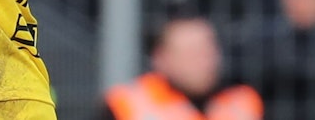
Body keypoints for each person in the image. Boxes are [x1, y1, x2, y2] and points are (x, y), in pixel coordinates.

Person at [101, 17, 263, 120]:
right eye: (190, 53)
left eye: (207, 50)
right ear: (161, 60)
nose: (203, 61)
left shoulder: (243, 100)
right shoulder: (127, 103)